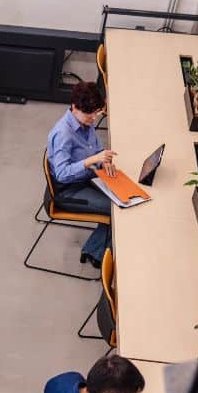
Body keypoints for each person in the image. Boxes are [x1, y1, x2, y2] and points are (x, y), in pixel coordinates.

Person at [46, 81, 117, 268]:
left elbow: (95, 147)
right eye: (90, 113)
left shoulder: (85, 120)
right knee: (115, 208)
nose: (94, 118)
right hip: (68, 191)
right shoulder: (64, 134)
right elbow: (61, 174)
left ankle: (95, 251)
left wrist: (104, 160)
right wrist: (90, 161)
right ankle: (96, 253)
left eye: (96, 113)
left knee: (120, 196)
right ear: (75, 107)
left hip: (87, 177)